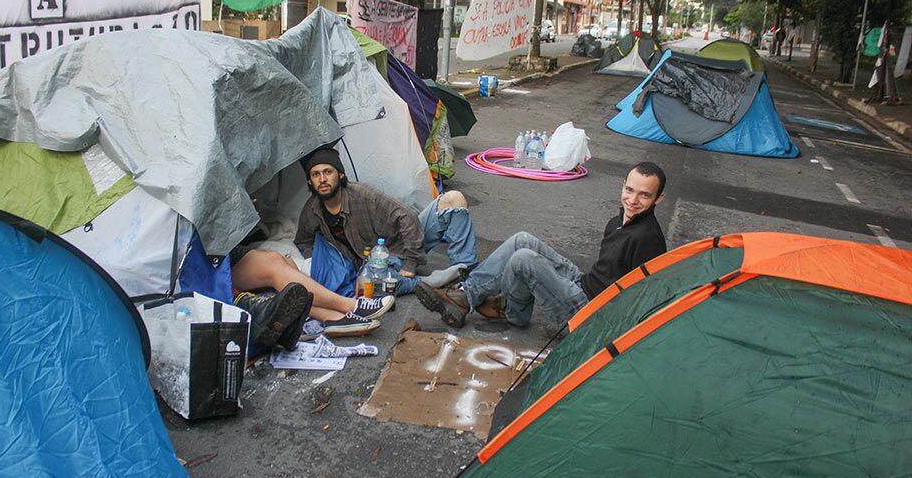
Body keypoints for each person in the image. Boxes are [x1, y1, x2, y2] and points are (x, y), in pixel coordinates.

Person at [415, 162, 668, 329]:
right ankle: (469, 294)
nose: (633, 200)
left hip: (589, 312)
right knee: (522, 240)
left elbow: (643, 296)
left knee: (523, 259)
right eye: (629, 190)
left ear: (659, 198)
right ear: (622, 185)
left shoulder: (648, 239)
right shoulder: (618, 221)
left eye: (644, 195)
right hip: (585, 283)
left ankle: (502, 308)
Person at [294, 147, 478, 295]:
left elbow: (407, 217)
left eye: (328, 172)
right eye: (316, 175)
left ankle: (465, 273)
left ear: (340, 174)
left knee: (454, 198)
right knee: (370, 285)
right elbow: (303, 241)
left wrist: (410, 263)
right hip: (375, 265)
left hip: (399, 246)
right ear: (310, 182)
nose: (323, 179)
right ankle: (428, 282)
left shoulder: (361, 194)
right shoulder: (312, 210)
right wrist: (319, 262)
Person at [231, 249, 393, 338]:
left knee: (283, 260)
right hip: (215, 266)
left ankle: (333, 318)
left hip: (230, 252)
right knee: (273, 265)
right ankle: (351, 306)